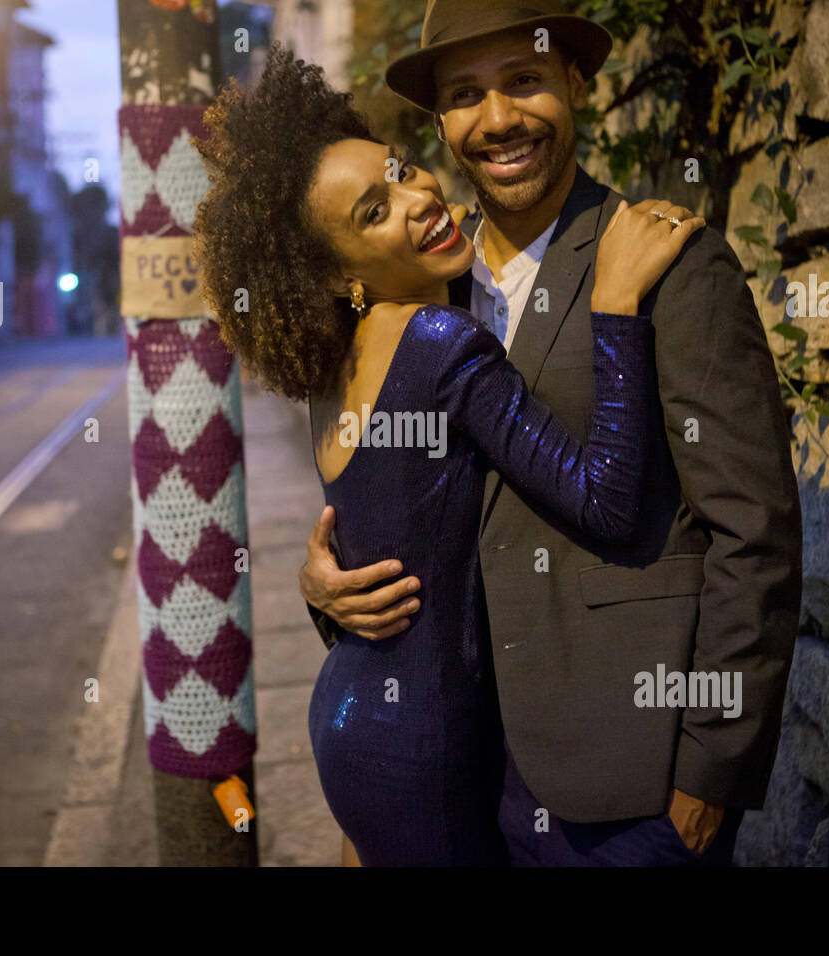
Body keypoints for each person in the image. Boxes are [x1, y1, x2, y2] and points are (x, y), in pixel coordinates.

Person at [299, 0, 803, 866]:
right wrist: (326, 590)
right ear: (441, 122)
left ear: (575, 83)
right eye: (465, 95)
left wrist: (711, 769)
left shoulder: (671, 264)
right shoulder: (427, 295)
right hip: (471, 772)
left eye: (524, 80)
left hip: (628, 789)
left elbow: (754, 532)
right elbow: (399, 499)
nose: (497, 120)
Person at [194, 45, 704, 865]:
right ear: (334, 276)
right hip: (425, 740)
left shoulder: (336, 368)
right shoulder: (435, 340)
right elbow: (605, 497)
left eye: (399, 171)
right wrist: (615, 307)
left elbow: (377, 532)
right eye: (373, 212)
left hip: (353, 713)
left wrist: (318, 588)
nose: (420, 196)